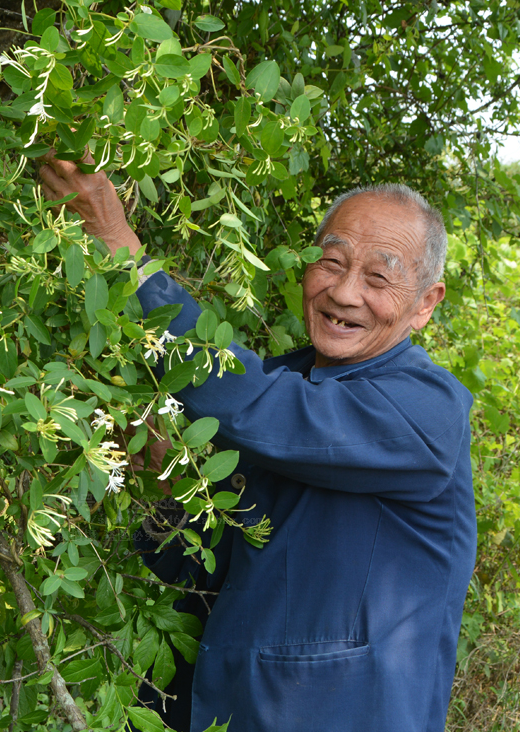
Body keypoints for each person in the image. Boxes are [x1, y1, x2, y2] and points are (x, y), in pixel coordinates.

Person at [39, 156, 477, 732]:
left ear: (425, 302)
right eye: (332, 261)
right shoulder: (279, 384)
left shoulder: (428, 409)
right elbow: (188, 568)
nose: (345, 292)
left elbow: (267, 412)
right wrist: (166, 485)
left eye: (379, 277)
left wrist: (125, 254)